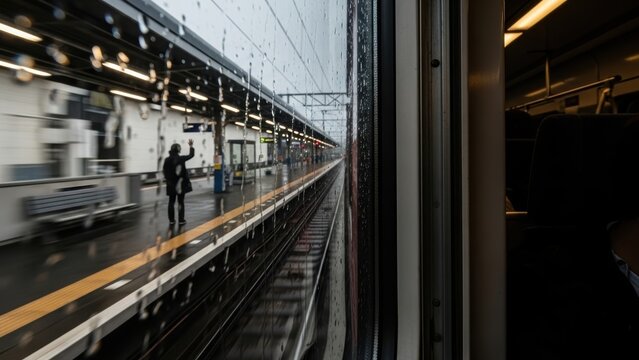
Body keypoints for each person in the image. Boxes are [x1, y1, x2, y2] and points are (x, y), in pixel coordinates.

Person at [163, 139, 195, 225]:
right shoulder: (181, 159)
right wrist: (191, 146)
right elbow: (191, 155)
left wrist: (168, 180)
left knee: (171, 202)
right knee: (180, 202)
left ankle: (171, 220)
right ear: (178, 150)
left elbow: (164, 172)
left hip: (170, 184)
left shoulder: (167, 160)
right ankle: (181, 220)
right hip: (180, 184)